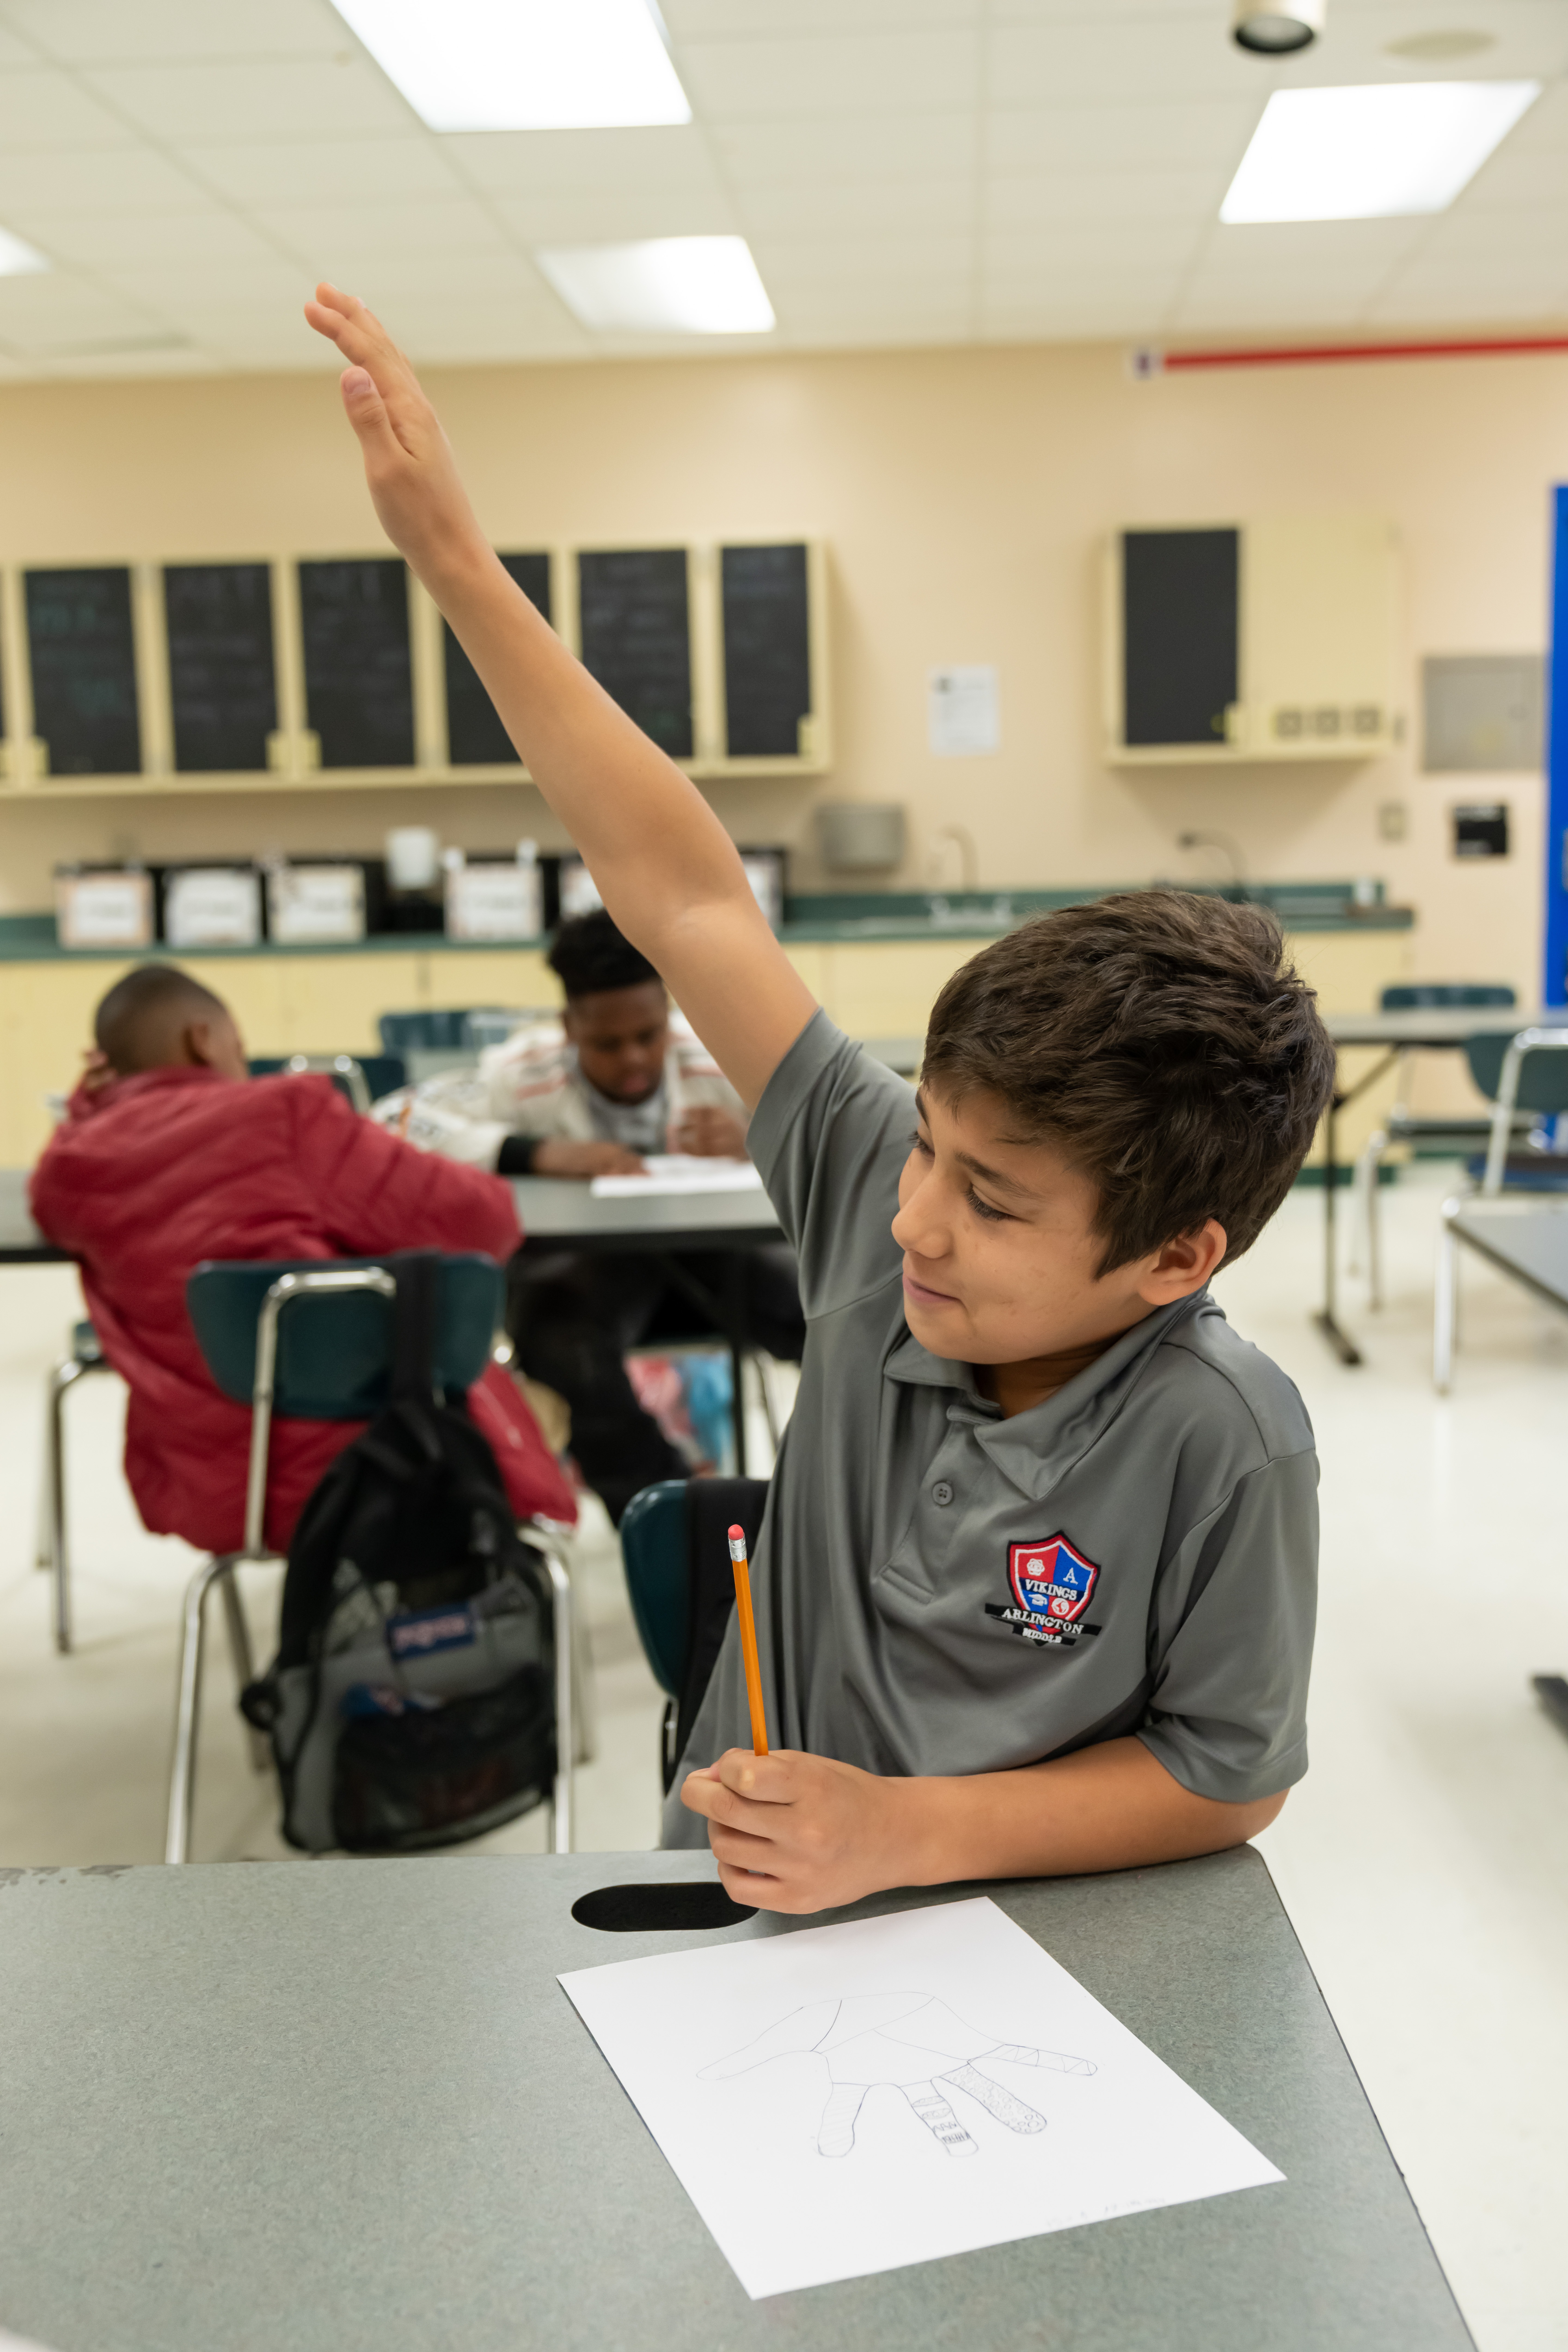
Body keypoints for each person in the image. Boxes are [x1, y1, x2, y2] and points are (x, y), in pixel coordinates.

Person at [306, 283, 1339, 1919]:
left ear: (1175, 1258)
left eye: (994, 1199)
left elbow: (1232, 1770)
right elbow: (685, 892)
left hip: (1031, 1957)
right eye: (928, 1148)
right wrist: (453, 563)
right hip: (740, 1926)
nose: (913, 1217)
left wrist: (914, 1833)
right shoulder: (874, 1197)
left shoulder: (1225, 1439)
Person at [30, 963, 574, 1560]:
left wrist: (96, 1098)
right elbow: (483, 1222)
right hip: (381, 1464)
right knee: (538, 1397)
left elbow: (60, 1173)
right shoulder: (283, 1118)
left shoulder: (71, 1173)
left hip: (214, 1493)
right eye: (239, 1049)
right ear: (202, 1041)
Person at [375, 907, 807, 1524]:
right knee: (560, 1349)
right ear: (568, 1029)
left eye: (648, 1036)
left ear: (668, 1014)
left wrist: (758, 1135)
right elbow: (394, 1121)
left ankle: (834, 1512)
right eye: (607, 1044)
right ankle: (686, 1530)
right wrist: (536, 1152)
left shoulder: (721, 1056)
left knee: (837, 1308)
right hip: (588, 1275)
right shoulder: (520, 1074)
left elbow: (836, 1127)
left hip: (718, 1261)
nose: (634, 1059)